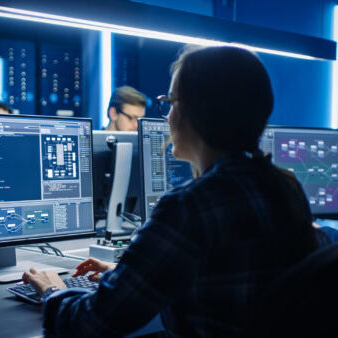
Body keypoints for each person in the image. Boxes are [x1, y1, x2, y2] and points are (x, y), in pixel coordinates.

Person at [22, 46, 320, 337]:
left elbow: (91, 324)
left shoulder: (189, 205)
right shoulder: (285, 186)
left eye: (171, 102)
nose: (166, 117)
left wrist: (52, 290)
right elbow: (231, 274)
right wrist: (127, 273)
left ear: (198, 111)